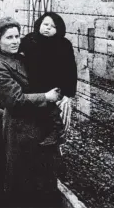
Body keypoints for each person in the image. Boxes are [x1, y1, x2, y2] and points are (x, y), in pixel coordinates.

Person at [0, 17, 64, 207]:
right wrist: (46, 97)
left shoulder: (21, 56)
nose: (15, 41)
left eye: (17, 36)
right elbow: (15, 100)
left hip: (40, 123)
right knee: (23, 177)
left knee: (43, 174)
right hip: (21, 128)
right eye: (9, 37)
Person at [20, 12, 77, 145]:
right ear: (39, 24)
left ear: (59, 29)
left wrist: (68, 92)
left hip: (54, 85)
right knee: (34, 114)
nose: (48, 28)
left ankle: (55, 133)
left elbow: (70, 69)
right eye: (45, 24)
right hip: (32, 83)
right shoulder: (30, 40)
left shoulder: (64, 44)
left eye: (53, 26)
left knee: (53, 113)